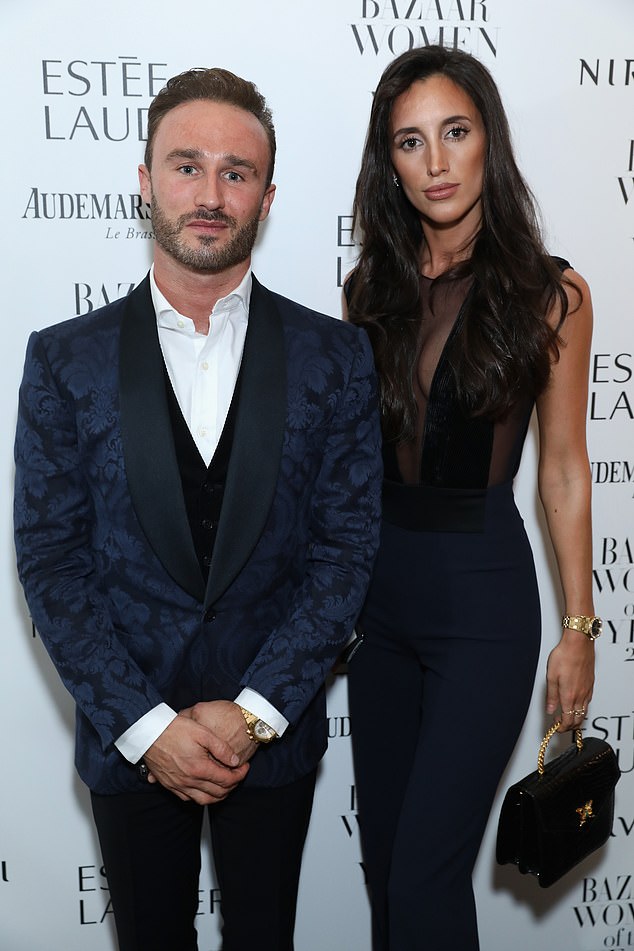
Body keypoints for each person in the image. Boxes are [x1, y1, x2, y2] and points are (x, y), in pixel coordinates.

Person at [14, 67, 382, 951]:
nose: (210, 194)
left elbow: (346, 551)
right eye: (186, 166)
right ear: (144, 182)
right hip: (126, 739)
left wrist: (253, 711)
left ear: (267, 195)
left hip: (274, 739)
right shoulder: (66, 359)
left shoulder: (336, 357)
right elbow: (52, 563)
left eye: (236, 171)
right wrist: (149, 729)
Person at [345, 45, 598, 951]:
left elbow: (563, 471)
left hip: (481, 608)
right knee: (386, 874)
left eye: (455, 132)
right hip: (380, 611)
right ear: (390, 162)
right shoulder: (369, 290)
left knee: (424, 877)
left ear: (489, 138)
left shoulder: (550, 293)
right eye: (410, 143)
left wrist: (579, 629)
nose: (437, 162)